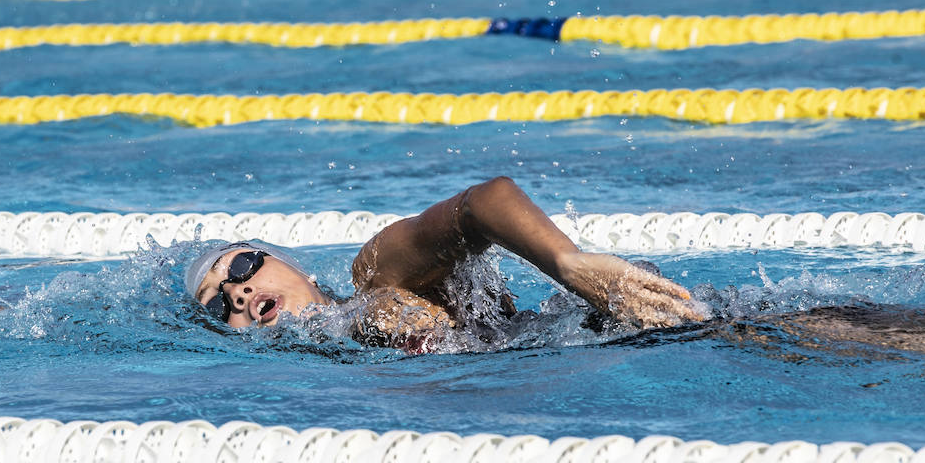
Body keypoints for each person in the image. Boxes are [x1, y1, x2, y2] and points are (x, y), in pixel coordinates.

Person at [185, 176, 706, 351]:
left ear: (293, 266)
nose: (236, 293)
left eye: (242, 266)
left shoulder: (376, 272)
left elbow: (483, 203)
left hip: (647, 331)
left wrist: (568, 263)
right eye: (217, 306)